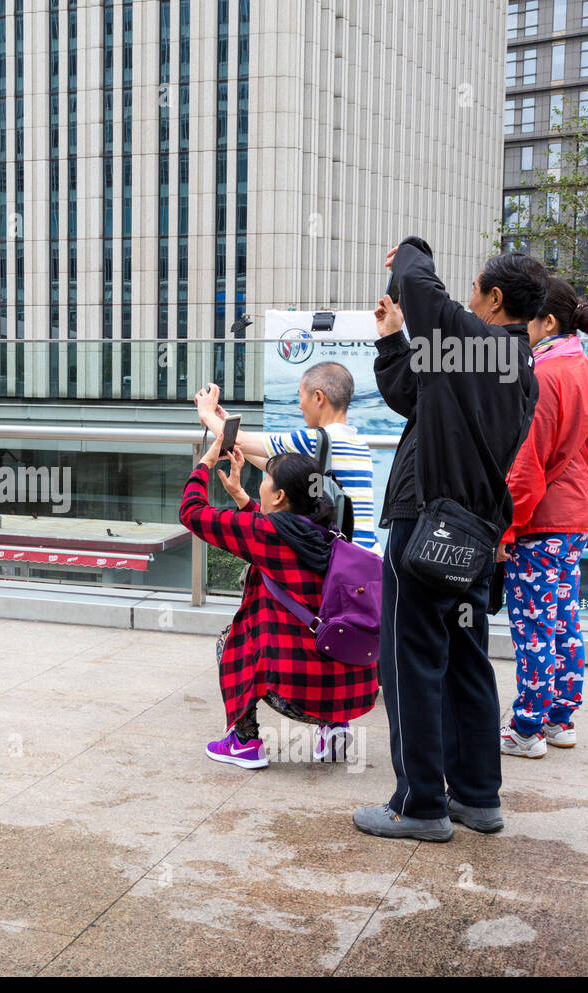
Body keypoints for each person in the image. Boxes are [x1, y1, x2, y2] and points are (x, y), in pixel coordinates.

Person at [354, 238, 545, 842]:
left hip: (426, 526)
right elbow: (412, 396)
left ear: (494, 298)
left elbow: (416, 280)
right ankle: (476, 798)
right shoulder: (515, 367)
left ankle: (420, 805)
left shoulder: (473, 343)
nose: (464, 301)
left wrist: (412, 248)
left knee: (409, 660)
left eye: (473, 291)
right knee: (465, 658)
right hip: (475, 539)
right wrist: (392, 339)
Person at [179, 430, 379, 769]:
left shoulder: (264, 535)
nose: (262, 483)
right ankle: (333, 731)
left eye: (266, 479)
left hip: (293, 695)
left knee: (231, 639)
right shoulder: (329, 531)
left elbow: (192, 512)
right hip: (348, 692)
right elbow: (283, 530)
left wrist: (206, 461)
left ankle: (244, 741)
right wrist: (242, 496)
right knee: (317, 626)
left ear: (280, 495)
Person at [498, 278, 588, 758]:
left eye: (528, 322)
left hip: (540, 520)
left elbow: (526, 463)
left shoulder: (544, 373)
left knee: (533, 628)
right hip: (575, 515)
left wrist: (507, 526)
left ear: (548, 322)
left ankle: (526, 728)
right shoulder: (584, 367)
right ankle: (561, 718)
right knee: (563, 621)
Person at [200, 365, 381, 554]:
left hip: (342, 557)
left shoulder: (311, 440)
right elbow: (275, 468)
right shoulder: (358, 443)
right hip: (367, 555)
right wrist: (226, 424)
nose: (299, 405)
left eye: (301, 396)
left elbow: (240, 440)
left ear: (318, 397)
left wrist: (206, 413)